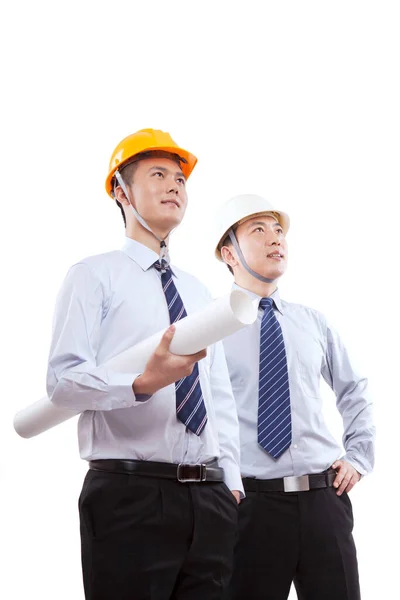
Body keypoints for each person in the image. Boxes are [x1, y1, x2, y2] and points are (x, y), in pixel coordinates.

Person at [47, 129, 243, 600]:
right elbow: (62, 382)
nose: (175, 185)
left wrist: (231, 484)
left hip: (209, 499)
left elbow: (217, 394)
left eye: (180, 178)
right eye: (158, 174)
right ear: (121, 191)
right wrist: (140, 383)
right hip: (129, 497)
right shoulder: (93, 276)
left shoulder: (197, 291)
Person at [213, 194, 375, 600]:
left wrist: (358, 456)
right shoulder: (210, 329)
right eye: (258, 230)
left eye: (278, 230)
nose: (275, 239)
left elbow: (354, 389)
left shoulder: (312, 322)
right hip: (250, 506)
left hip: (324, 502)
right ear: (228, 253)